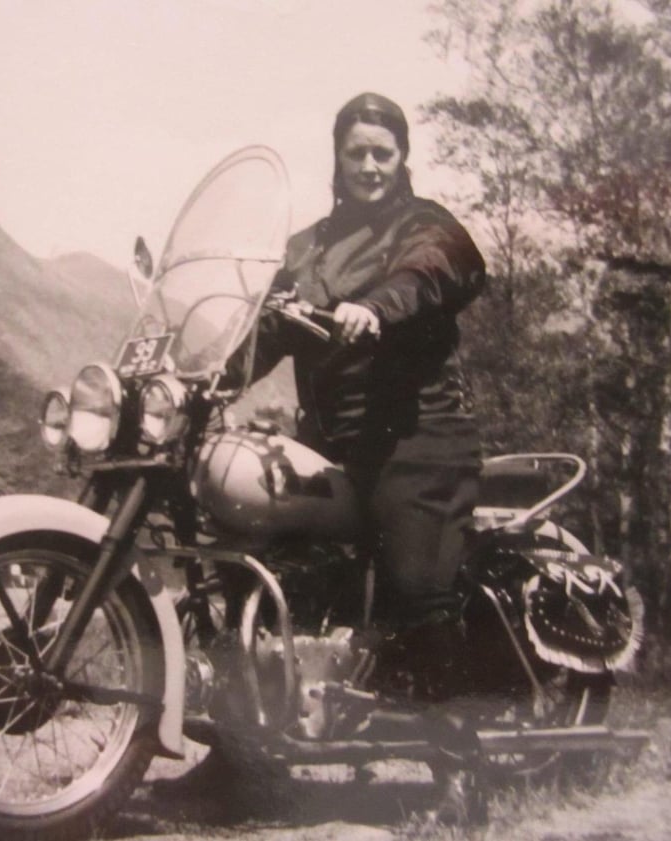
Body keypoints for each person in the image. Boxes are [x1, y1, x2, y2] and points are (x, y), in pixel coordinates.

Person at [245, 91, 486, 691]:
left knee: (416, 585)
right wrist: (200, 374)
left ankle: (454, 743)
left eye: (383, 153)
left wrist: (376, 308)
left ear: (403, 157)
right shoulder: (306, 249)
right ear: (338, 159)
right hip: (329, 441)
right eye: (357, 154)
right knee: (252, 558)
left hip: (416, 437)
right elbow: (264, 333)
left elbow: (428, 273)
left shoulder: (427, 226)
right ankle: (238, 740)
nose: (370, 166)